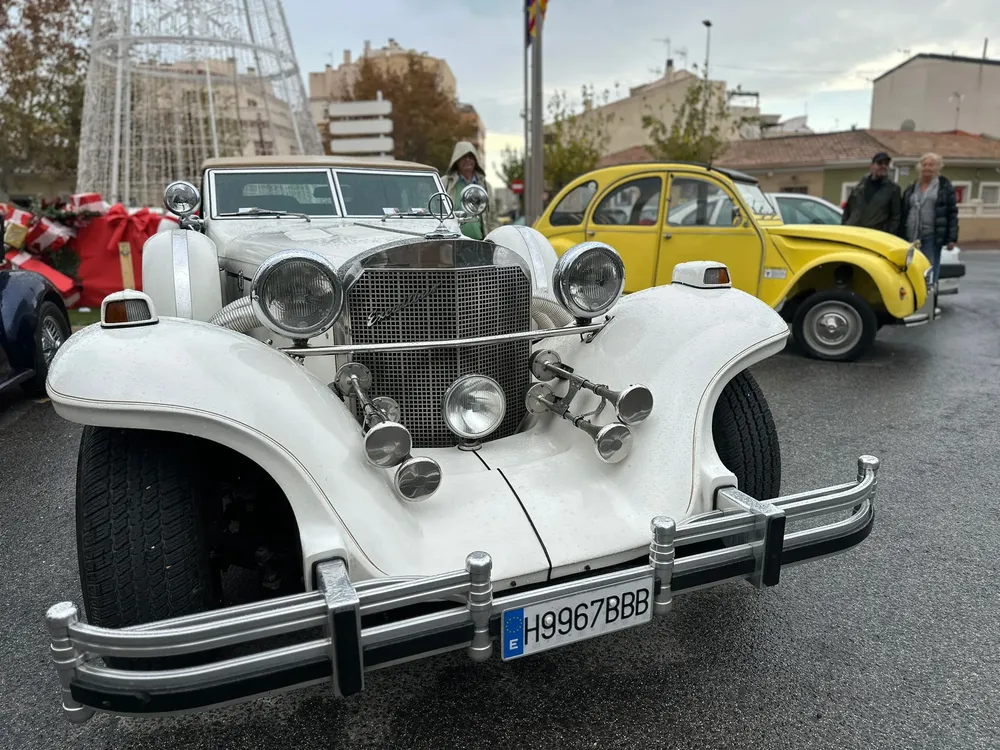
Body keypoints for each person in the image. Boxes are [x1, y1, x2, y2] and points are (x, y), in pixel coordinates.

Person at [899, 152, 958, 287]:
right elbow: (905, 210)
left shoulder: (944, 187)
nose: (927, 168)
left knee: (929, 269)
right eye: (924, 164)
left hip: (931, 235)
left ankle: (930, 301)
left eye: (931, 165)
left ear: (938, 167)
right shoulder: (912, 187)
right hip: (912, 235)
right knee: (912, 269)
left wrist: (951, 238)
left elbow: (952, 212)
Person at [442, 141, 494, 239]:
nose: (467, 160)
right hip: (452, 242)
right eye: (463, 157)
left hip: (480, 242)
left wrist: (492, 240)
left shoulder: (485, 186)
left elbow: (493, 217)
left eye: (471, 157)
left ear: (475, 160)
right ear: (456, 160)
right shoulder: (445, 183)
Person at [842, 152, 902, 235]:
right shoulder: (859, 187)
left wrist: (886, 234)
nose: (883, 166)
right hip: (853, 233)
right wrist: (844, 228)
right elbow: (847, 211)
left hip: (874, 236)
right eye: (880, 163)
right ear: (871, 166)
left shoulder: (893, 189)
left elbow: (896, 217)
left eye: (886, 164)